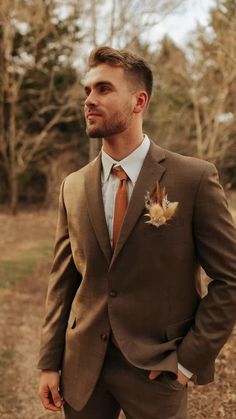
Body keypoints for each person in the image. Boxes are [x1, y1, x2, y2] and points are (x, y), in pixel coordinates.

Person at [38, 46, 236, 419]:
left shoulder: (193, 178)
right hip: (83, 369)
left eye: (103, 89)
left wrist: (188, 360)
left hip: (158, 370)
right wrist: (49, 362)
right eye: (87, 91)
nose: (89, 100)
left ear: (139, 101)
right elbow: (63, 280)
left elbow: (230, 278)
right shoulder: (73, 186)